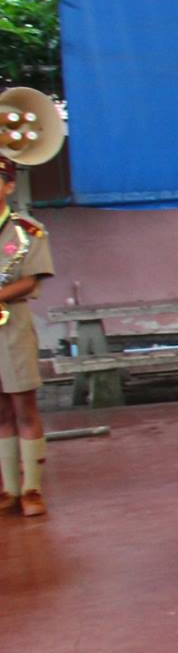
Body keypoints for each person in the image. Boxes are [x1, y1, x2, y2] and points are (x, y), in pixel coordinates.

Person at [0, 157, 54, 517]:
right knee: (0, 410)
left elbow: (31, 279)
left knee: (24, 405)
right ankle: (9, 487)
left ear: (9, 186)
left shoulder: (27, 231)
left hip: (12, 323)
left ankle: (32, 488)